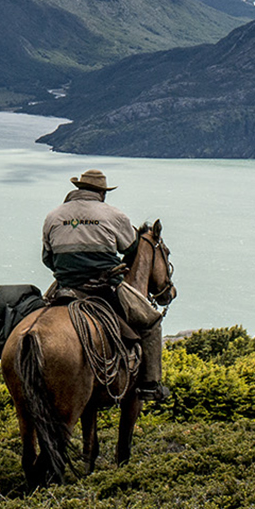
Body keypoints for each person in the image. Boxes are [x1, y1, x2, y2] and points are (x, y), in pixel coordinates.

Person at [40, 167, 168, 402]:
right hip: (104, 287)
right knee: (151, 321)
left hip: (65, 287)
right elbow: (131, 250)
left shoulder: (53, 216)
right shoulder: (114, 215)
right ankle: (150, 384)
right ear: (102, 193)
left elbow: (47, 258)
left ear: (78, 189)